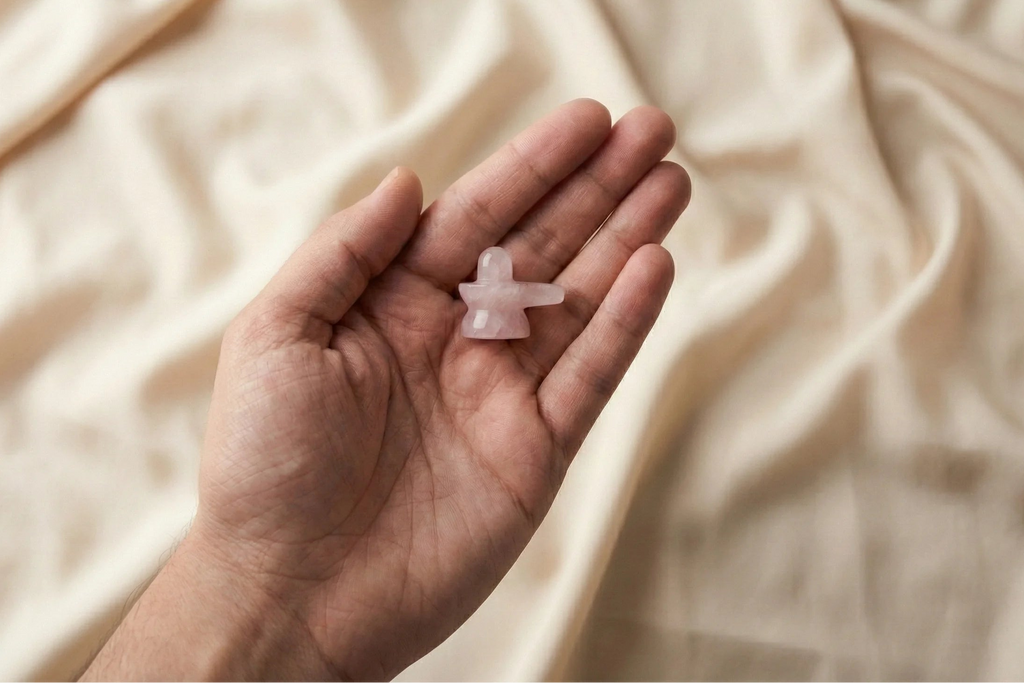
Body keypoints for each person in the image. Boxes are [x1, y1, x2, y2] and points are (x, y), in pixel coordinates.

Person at [79, 99, 691, 681]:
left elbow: (533, 295)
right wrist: (255, 577)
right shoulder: (484, 298)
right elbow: (523, 294)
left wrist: (258, 592)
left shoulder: (498, 296)